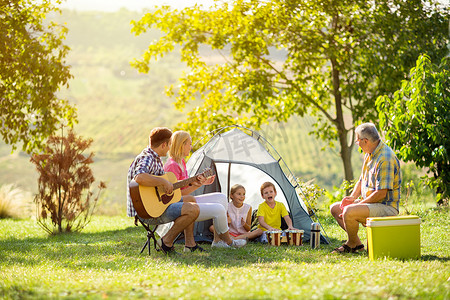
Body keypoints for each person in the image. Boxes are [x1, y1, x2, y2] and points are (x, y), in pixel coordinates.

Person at [164, 130, 246, 249]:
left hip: (185, 200)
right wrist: (196, 186)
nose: (191, 147)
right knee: (218, 209)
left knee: (221, 197)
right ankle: (229, 241)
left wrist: (202, 182)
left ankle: (217, 241)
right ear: (182, 144)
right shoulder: (172, 165)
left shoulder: (181, 162)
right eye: (189, 144)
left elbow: (185, 187)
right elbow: (176, 194)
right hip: (178, 206)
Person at [330, 122, 401, 254]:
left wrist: (357, 206)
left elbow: (381, 194)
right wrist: (352, 198)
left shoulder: (385, 158)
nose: (358, 144)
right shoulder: (370, 153)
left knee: (349, 212)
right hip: (372, 203)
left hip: (386, 207)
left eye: (358, 141)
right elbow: (362, 179)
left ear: (365, 141)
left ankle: (350, 244)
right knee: (335, 208)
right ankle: (357, 244)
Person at [126, 127, 199, 255]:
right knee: (193, 209)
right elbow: (139, 177)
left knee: (191, 200)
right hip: (148, 212)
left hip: (157, 204)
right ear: (164, 144)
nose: (170, 148)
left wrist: (193, 184)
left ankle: (189, 244)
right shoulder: (148, 158)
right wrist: (163, 182)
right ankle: (166, 242)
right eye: (170, 144)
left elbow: (163, 189)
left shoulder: (156, 158)